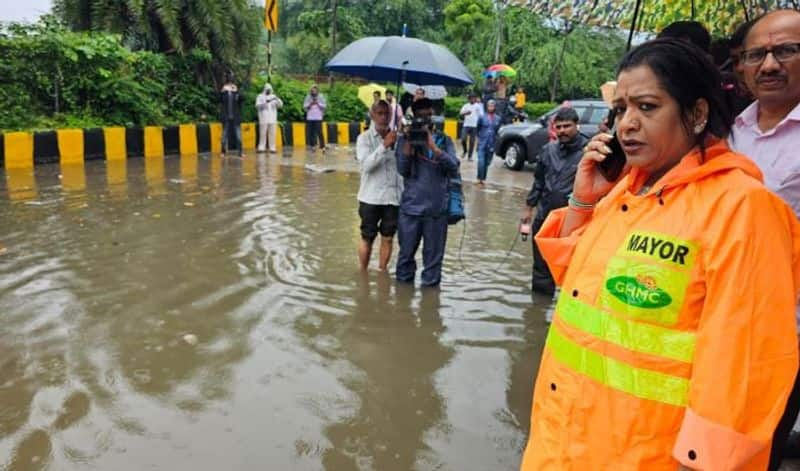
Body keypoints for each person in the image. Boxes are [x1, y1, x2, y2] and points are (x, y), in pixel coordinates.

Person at [521, 38, 800, 471]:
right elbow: (577, 287)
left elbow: (746, 371)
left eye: (647, 107)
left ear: (697, 113)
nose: (627, 125)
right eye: (620, 110)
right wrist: (583, 202)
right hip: (562, 441)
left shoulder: (744, 210)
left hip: (647, 455)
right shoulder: (627, 191)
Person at [727, 10, 800, 470]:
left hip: (786, 331)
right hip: (723, 322)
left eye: (786, 50)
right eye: (757, 54)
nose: (769, 65)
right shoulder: (727, 132)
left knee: (759, 450)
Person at [520, 107, 588, 296]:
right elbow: (538, 182)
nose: (562, 131)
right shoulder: (548, 150)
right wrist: (528, 208)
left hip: (575, 220)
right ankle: (538, 310)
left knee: (574, 267)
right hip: (546, 216)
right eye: (558, 127)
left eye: (567, 126)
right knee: (540, 265)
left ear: (577, 125)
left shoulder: (588, 152)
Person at [395, 98, 460, 287]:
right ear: (413, 117)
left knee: (433, 265)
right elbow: (402, 169)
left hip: (436, 211)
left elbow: (454, 167)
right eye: (420, 116)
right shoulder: (405, 139)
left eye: (428, 115)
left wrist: (434, 148)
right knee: (405, 258)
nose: (424, 120)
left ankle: (430, 308)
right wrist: (408, 143)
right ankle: (402, 306)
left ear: (433, 116)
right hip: (411, 209)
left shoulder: (444, 140)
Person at [356, 100, 402, 272]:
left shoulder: (398, 138)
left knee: (388, 237)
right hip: (371, 197)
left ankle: (382, 271)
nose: (383, 117)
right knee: (367, 237)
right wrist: (384, 146)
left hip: (393, 197)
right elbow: (366, 166)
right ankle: (363, 272)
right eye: (380, 113)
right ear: (372, 115)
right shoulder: (364, 139)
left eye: (386, 114)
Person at [475, 99, 501, 185]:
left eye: (492, 106)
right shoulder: (482, 117)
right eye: (489, 105)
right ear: (487, 106)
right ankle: (479, 178)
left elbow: (498, 132)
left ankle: (483, 178)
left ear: (495, 107)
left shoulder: (498, 119)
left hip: (491, 144)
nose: (491, 107)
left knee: (487, 162)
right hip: (482, 143)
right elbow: (477, 129)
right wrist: (478, 139)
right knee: (481, 161)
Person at [219, 75, 244, 158]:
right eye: (229, 84)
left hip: (235, 117)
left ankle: (240, 152)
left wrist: (237, 91)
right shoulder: (224, 94)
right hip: (226, 117)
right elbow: (218, 99)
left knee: (238, 136)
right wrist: (222, 91)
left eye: (231, 84)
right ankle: (223, 151)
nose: (230, 86)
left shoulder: (236, 93)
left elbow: (242, 99)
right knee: (224, 135)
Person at [255, 83, 283, 154]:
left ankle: (272, 148)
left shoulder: (273, 97)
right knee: (262, 133)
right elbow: (257, 106)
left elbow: (280, 105)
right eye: (267, 89)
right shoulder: (260, 96)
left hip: (273, 118)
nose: (268, 91)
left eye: (269, 89)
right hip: (263, 118)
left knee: (272, 134)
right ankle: (261, 147)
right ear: (264, 89)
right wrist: (265, 103)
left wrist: (277, 98)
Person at [459, 93, 483, 160]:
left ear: (475, 99)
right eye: (471, 98)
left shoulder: (478, 106)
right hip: (466, 125)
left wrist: (479, 119)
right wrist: (466, 113)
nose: (472, 99)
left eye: (473, 98)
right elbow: (460, 113)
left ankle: (470, 156)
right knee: (463, 139)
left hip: (474, 126)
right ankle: (465, 150)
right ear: (469, 99)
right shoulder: (466, 105)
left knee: (472, 142)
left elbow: (481, 115)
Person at [303, 85, 327, 152]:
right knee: (311, 132)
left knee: (319, 132)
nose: (314, 91)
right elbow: (304, 106)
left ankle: (322, 146)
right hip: (310, 117)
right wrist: (310, 104)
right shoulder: (308, 97)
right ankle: (312, 146)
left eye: (315, 90)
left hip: (318, 117)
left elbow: (324, 106)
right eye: (312, 90)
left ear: (317, 90)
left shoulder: (321, 96)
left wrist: (318, 103)